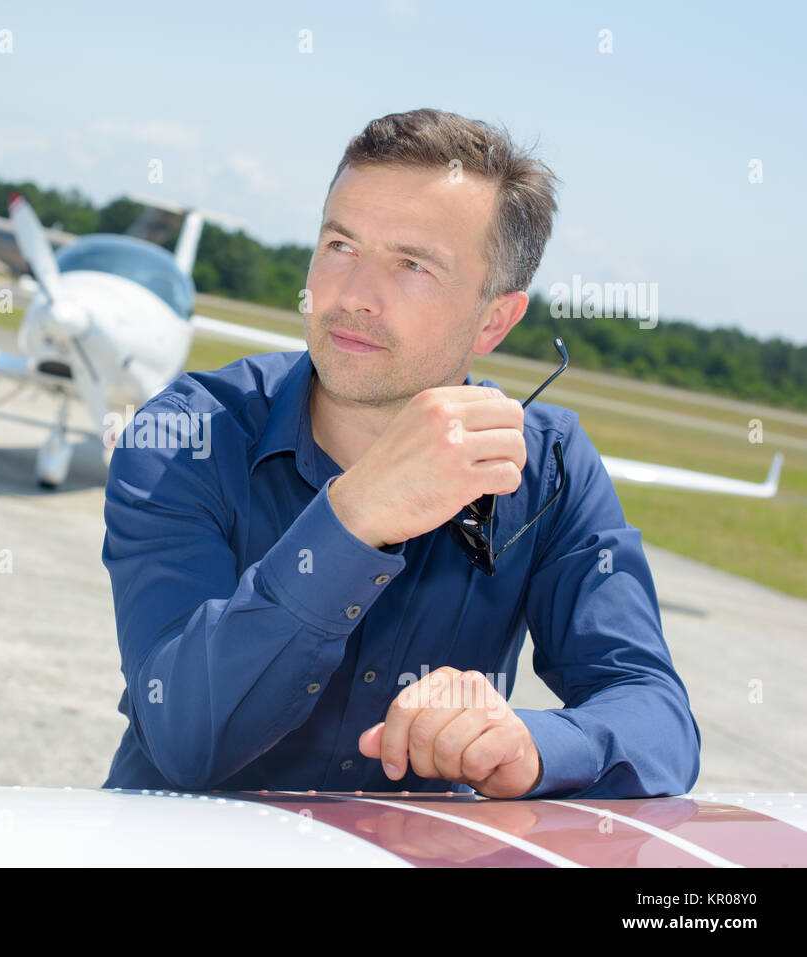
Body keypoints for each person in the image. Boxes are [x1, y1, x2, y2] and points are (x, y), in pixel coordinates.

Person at [99, 108, 701, 799]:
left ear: (494, 320)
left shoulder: (550, 463)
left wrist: (531, 745)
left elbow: (657, 715)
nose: (353, 297)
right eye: (341, 246)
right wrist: (351, 520)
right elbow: (184, 737)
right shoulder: (184, 438)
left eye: (412, 266)